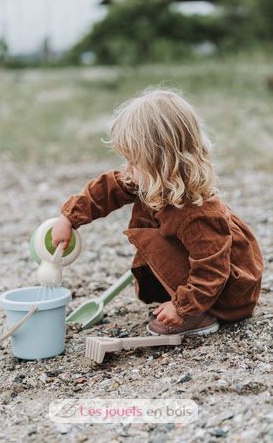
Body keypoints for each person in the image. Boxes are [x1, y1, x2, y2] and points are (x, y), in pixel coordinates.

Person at [51, 88, 263, 336]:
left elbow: (212, 270)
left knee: (152, 241)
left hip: (227, 291)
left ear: (164, 161)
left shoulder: (199, 213)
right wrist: (69, 217)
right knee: (150, 237)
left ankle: (198, 315)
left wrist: (181, 308)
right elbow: (109, 188)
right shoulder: (153, 180)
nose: (127, 170)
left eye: (134, 162)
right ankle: (184, 298)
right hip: (209, 279)